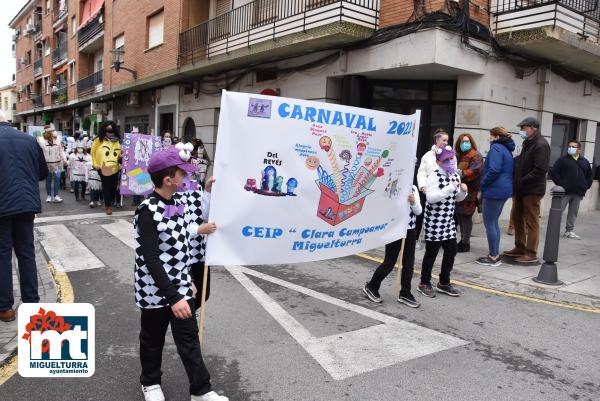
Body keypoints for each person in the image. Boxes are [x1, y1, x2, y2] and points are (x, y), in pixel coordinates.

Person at [134, 146, 228, 401]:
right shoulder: (147, 210)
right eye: (181, 173)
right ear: (168, 179)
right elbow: (151, 260)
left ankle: (201, 390)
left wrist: (187, 282)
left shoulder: (177, 202)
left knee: (189, 339)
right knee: (152, 338)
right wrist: (174, 297)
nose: (185, 177)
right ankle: (150, 383)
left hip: (180, 285)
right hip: (155, 290)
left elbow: (182, 245)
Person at [0, 110, 49, 322]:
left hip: (2, 205)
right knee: (26, 253)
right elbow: (43, 172)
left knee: (2, 256)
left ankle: (5, 308)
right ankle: (31, 303)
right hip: (27, 203)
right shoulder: (29, 140)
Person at [419, 146, 467, 298]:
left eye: (452, 158)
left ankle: (444, 282)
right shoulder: (434, 176)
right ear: (439, 162)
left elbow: (458, 198)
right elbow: (431, 198)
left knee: (451, 251)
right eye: (446, 159)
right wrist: (449, 188)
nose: (451, 162)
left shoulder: (455, 176)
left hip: (448, 221)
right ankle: (424, 282)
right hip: (434, 221)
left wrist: (463, 191)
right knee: (431, 253)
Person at [363, 185, 423, 308]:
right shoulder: (391, 186)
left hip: (410, 230)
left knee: (409, 264)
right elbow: (385, 207)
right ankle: (372, 286)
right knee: (389, 262)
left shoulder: (413, 188)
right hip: (395, 229)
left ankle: (405, 293)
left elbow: (419, 211)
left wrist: (413, 202)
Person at [503, 117, 550, 264]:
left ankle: (531, 252)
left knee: (531, 221)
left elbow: (540, 169)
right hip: (521, 189)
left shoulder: (540, 145)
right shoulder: (528, 143)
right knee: (517, 219)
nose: (521, 131)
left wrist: (522, 180)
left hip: (532, 190)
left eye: (523, 128)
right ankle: (520, 247)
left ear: (533, 128)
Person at [476, 127, 515, 267]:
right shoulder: (506, 149)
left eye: (490, 136)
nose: (489, 138)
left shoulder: (496, 148)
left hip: (494, 190)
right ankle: (495, 253)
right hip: (503, 190)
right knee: (494, 222)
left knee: (489, 223)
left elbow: (494, 169)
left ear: (496, 136)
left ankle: (493, 256)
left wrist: (483, 183)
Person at [549, 140, 593, 239]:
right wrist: (561, 184)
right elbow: (553, 172)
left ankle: (569, 231)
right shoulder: (563, 160)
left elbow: (589, 175)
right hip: (565, 191)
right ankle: (554, 230)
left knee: (573, 212)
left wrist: (585, 186)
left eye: (573, 147)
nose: (571, 148)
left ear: (579, 149)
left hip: (578, 192)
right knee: (558, 211)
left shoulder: (584, 161)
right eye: (569, 146)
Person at [415, 129, 450, 238]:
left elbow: (452, 172)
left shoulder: (449, 155)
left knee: (441, 215)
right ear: (437, 140)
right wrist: (423, 186)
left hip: (443, 192)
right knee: (422, 215)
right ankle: (419, 237)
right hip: (428, 191)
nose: (446, 143)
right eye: (444, 140)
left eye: (447, 141)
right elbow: (421, 172)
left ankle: (440, 237)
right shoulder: (428, 156)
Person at [454, 133, 483, 252]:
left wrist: (460, 173)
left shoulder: (475, 155)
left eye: (467, 141)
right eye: (462, 142)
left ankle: (465, 242)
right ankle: (463, 240)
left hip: (470, 190)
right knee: (459, 215)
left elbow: (475, 171)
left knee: (466, 216)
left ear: (471, 142)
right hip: (459, 189)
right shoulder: (459, 155)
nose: (464, 144)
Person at [92, 121, 122, 215]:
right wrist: (96, 164)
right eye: (108, 128)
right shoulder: (99, 140)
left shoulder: (117, 141)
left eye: (111, 128)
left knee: (113, 187)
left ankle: (110, 201)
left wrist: (122, 156)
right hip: (103, 167)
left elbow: (119, 153)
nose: (109, 129)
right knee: (106, 187)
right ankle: (108, 206)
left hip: (115, 167)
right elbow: (93, 152)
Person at [41, 126, 66, 203]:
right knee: (48, 180)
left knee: (57, 179)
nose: (51, 133)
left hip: (57, 163)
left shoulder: (58, 141)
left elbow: (61, 151)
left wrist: (65, 159)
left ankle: (56, 196)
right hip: (47, 164)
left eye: (51, 132)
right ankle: (49, 196)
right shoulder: (42, 142)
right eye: (49, 132)